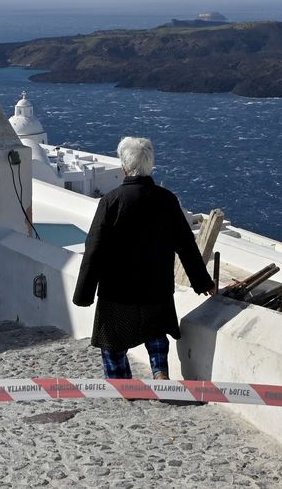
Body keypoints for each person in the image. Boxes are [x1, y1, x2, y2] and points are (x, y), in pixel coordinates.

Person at [72, 136, 215, 380]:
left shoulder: (111, 202)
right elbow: (186, 245)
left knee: (113, 343)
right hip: (156, 287)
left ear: (124, 167)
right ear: (150, 166)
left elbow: (94, 249)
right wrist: (203, 283)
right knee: (156, 333)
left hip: (117, 291)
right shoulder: (167, 200)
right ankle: (160, 372)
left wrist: (84, 294)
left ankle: (122, 384)